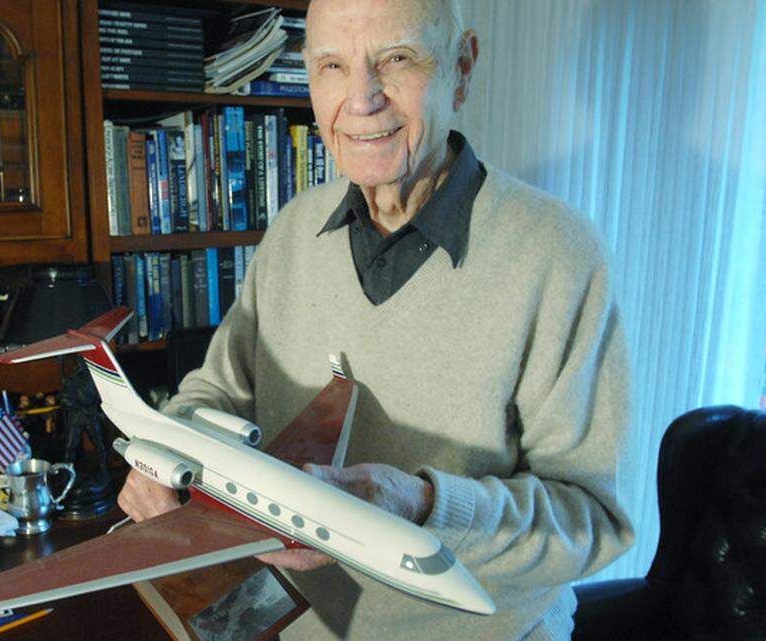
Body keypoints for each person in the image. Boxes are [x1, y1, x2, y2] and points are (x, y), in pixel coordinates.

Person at [118, 0, 635, 638]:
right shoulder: (292, 230)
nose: (361, 100)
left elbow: (589, 522)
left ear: (462, 68)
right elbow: (217, 391)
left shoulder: (558, 253)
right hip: (285, 626)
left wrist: (420, 506)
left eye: (396, 59)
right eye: (332, 66)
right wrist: (163, 452)